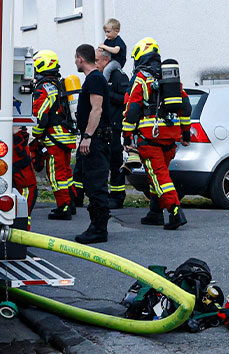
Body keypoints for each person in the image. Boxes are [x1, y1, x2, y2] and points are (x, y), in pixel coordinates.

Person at [123, 37, 192, 231]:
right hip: (170, 139)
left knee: (160, 176)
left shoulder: (142, 78)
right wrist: (185, 133)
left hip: (150, 137)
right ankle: (155, 212)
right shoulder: (170, 78)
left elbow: (133, 108)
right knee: (157, 175)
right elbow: (185, 107)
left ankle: (175, 211)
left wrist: (127, 136)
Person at [71, 44, 114, 243]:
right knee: (90, 182)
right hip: (94, 139)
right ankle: (95, 225)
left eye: (75, 58)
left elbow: (96, 110)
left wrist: (87, 136)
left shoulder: (95, 79)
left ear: (81, 59)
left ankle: (98, 229)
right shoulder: (94, 79)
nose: (75, 62)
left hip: (96, 140)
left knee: (96, 184)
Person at [28, 50, 78, 219]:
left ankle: (63, 208)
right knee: (65, 172)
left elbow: (40, 116)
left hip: (54, 138)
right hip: (66, 136)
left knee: (56, 174)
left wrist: (32, 137)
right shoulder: (58, 83)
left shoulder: (44, 87)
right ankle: (71, 203)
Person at [98, 43, 131, 207]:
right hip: (106, 126)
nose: (95, 64)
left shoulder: (118, 76)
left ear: (105, 60)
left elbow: (125, 99)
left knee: (116, 162)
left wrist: (107, 93)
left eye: (97, 61)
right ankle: (109, 194)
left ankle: (118, 196)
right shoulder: (102, 76)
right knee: (105, 162)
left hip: (116, 127)